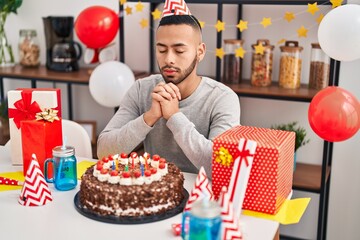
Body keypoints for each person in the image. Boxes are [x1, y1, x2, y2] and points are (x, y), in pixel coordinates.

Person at [97, 6, 240, 175]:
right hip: (152, 192)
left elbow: (219, 165)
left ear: (199, 52)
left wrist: (174, 117)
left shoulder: (223, 98)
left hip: (201, 197)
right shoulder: (141, 89)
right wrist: (149, 118)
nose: (169, 59)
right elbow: (103, 152)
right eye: (161, 50)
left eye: (179, 50)